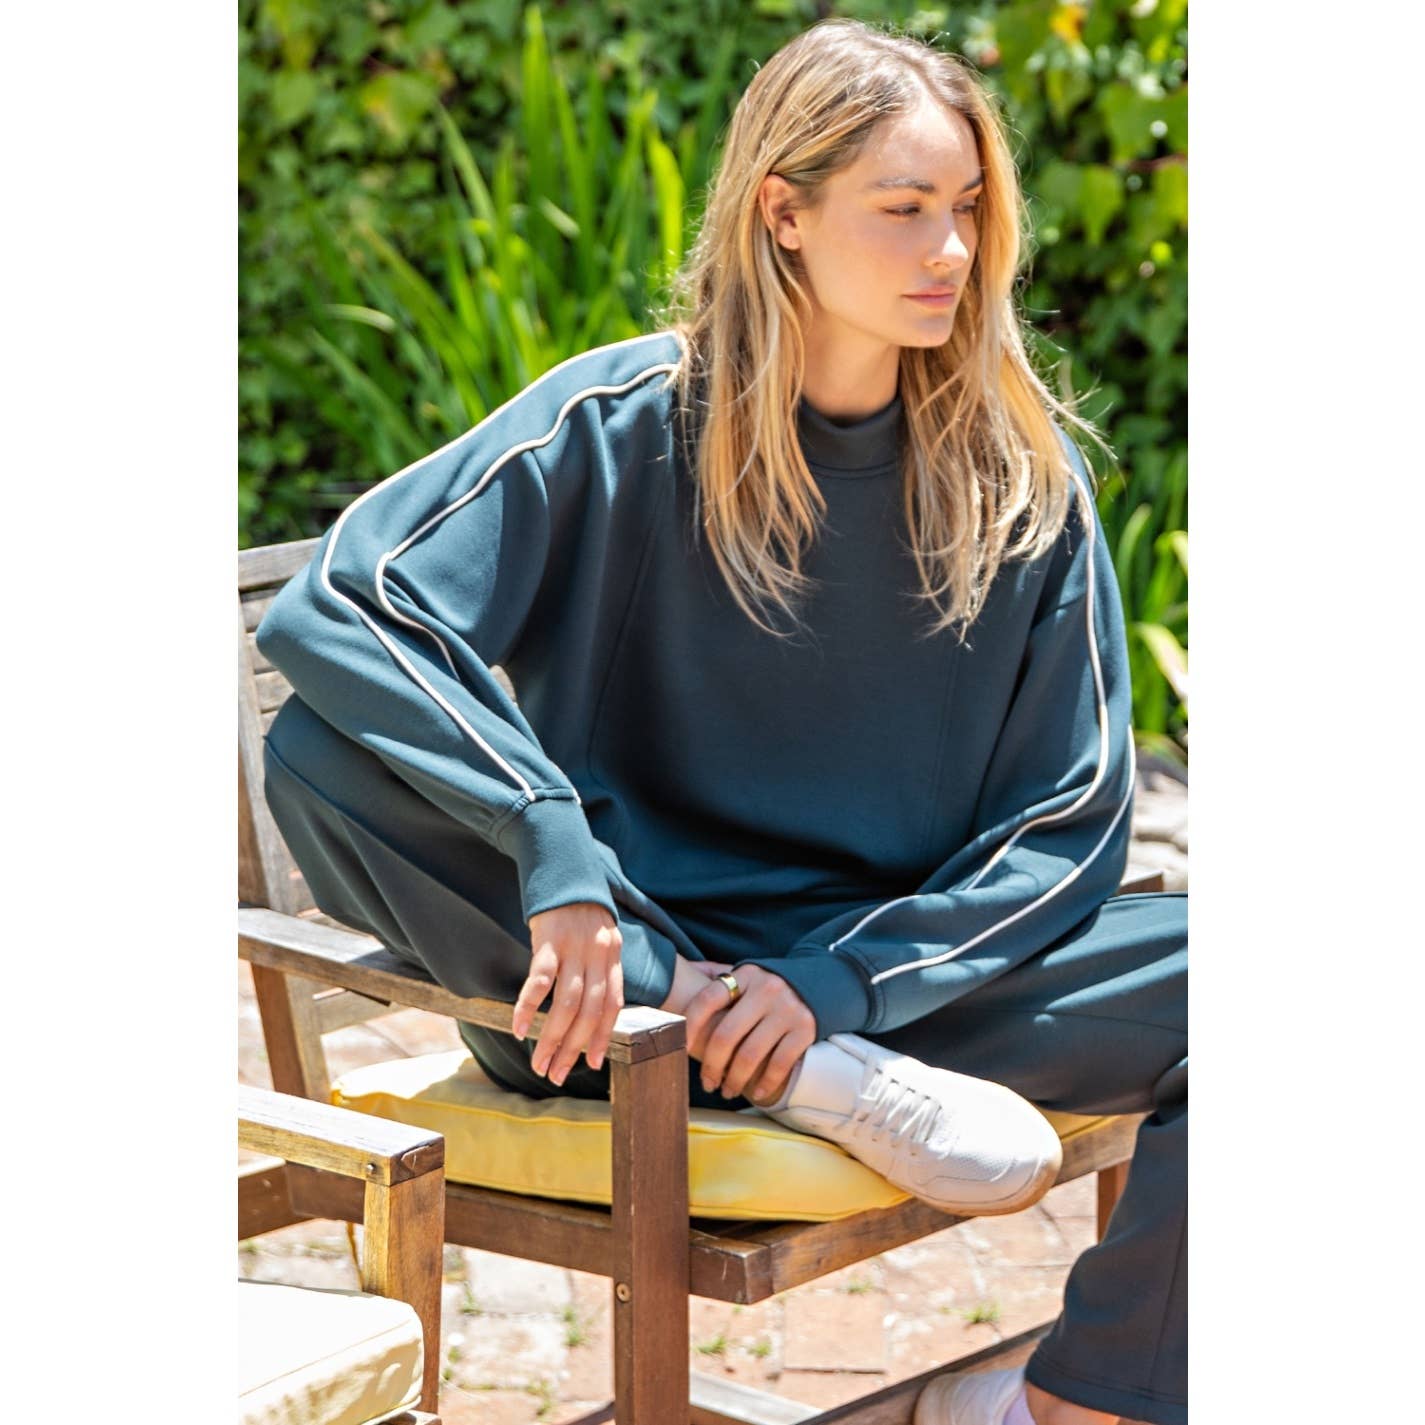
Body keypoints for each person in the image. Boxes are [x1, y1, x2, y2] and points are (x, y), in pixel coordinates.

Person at [255, 18, 1185, 1425]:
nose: (950, 248)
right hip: (614, 987)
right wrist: (548, 836)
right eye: (903, 207)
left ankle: (1080, 1406)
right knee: (318, 750)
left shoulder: (1017, 477)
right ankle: (768, 1060)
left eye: (966, 207)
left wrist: (836, 984)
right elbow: (342, 602)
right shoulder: (623, 417)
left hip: (897, 992)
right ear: (783, 213)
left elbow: (1069, 824)